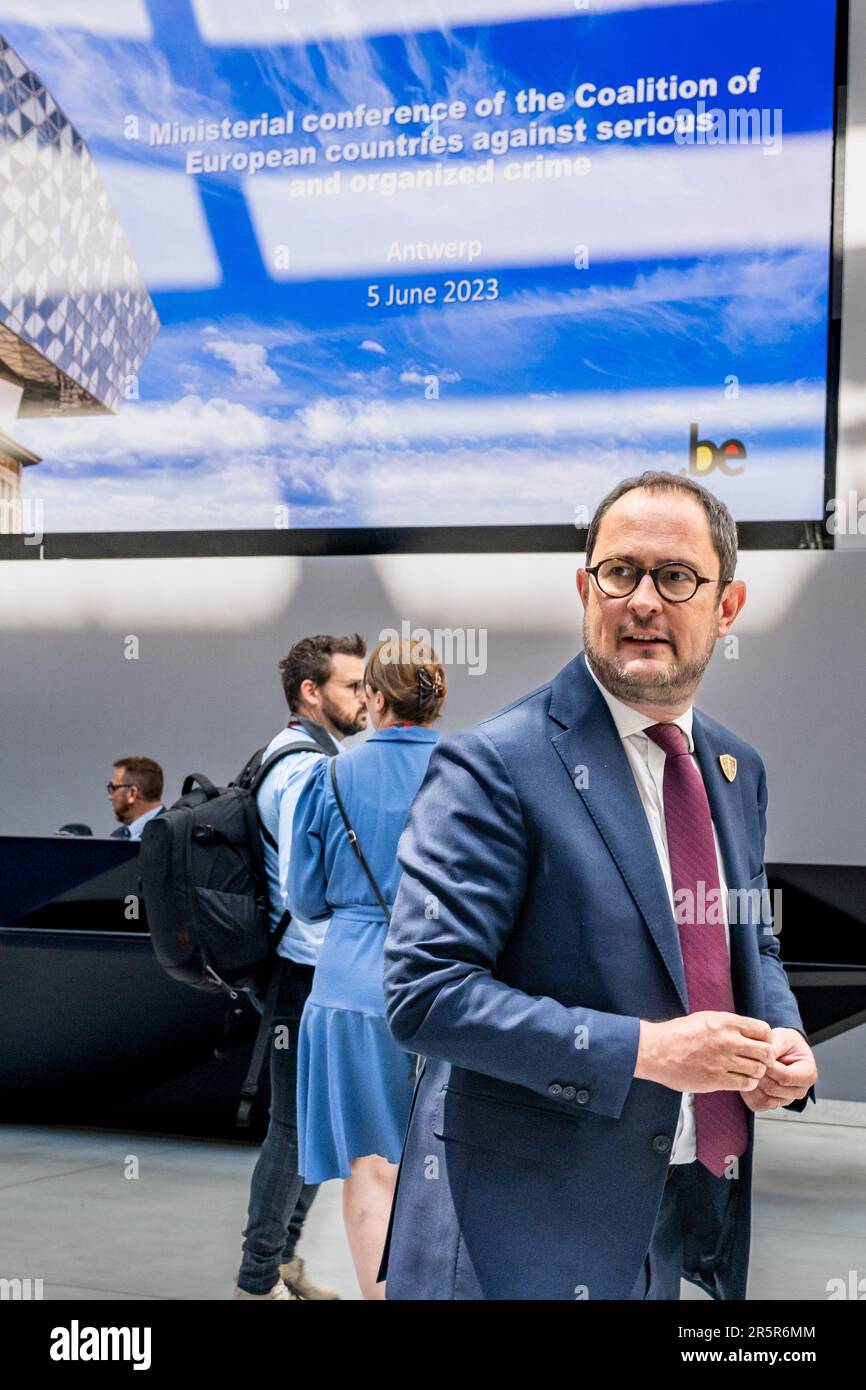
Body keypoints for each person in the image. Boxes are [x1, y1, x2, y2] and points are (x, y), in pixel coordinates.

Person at [380, 471, 818, 1301]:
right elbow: (426, 996)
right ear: (586, 590)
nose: (644, 600)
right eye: (620, 573)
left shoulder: (736, 769)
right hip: (515, 1235)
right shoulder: (496, 764)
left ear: (727, 607)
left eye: (677, 577)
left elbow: (748, 937)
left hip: (668, 1220)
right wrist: (650, 1052)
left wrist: (782, 1040)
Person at [288, 638, 446, 1300]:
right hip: (450, 982)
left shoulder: (328, 776)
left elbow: (306, 899)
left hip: (352, 984)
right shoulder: (471, 771)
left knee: (370, 1168)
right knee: (447, 1163)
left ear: (375, 698)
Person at [233, 633, 368, 1301]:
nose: (366, 697)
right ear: (311, 693)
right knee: (292, 1131)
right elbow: (306, 889)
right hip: (305, 975)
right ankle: (255, 1284)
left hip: (310, 972)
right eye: (351, 686)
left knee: (316, 1130)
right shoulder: (303, 770)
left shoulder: (296, 757)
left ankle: (283, 1264)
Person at [107, 757, 165, 838]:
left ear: (132, 793)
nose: (109, 797)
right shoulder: (117, 836)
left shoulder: (175, 835)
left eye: (113, 788)